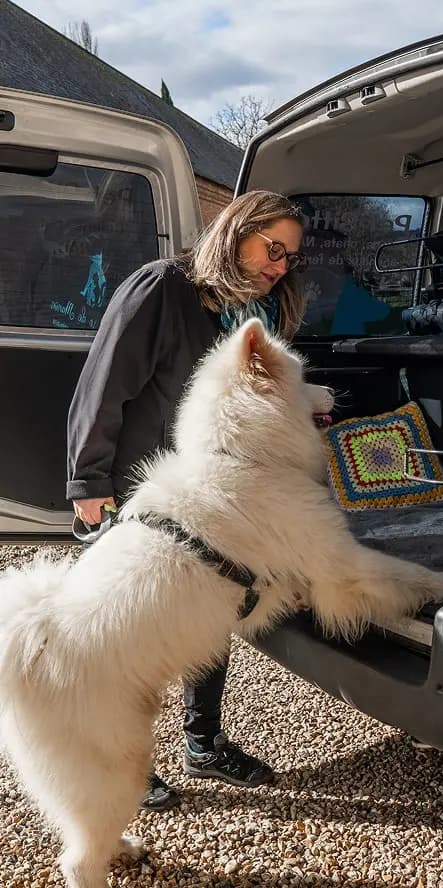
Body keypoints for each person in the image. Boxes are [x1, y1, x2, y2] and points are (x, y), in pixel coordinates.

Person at [66, 190, 308, 810]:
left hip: (213, 493)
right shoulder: (162, 289)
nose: (279, 266)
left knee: (210, 612)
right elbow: (103, 388)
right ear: (236, 230)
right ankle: (120, 759)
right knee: (131, 630)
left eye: (289, 258)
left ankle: (203, 742)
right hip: (141, 488)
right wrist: (89, 485)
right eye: (271, 248)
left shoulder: (259, 312)